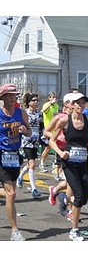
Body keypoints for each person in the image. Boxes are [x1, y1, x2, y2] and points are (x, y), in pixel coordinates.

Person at [49, 92, 88, 241]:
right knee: (78, 195)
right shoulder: (64, 121)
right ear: (72, 105)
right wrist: (60, 152)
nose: (81, 105)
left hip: (82, 162)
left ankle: (64, 197)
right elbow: (51, 140)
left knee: (84, 198)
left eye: (83, 103)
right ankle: (75, 230)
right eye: (78, 103)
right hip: (69, 163)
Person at [0, 83, 32, 241]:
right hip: (1, 155)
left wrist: (26, 132)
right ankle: (15, 231)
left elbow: (30, 131)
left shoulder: (21, 113)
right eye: (10, 95)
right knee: (11, 194)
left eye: (15, 95)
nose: (13, 98)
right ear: (3, 97)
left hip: (14, 156)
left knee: (10, 193)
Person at [44, 93, 74, 222]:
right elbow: (46, 131)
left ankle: (55, 190)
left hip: (75, 151)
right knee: (72, 181)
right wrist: (57, 137)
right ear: (66, 106)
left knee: (72, 181)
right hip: (62, 150)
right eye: (72, 104)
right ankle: (70, 210)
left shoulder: (79, 118)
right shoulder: (60, 118)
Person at [16, 93, 41, 198]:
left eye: (37, 100)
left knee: (31, 164)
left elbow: (42, 127)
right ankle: (34, 189)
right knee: (32, 164)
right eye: (33, 100)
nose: (36, 102)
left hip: (35, 141)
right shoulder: (24, 113)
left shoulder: (40, 114)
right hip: (26, 141)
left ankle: (20, 176)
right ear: (29, 102)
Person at [39, 92, 59, 172]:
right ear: (49, 98)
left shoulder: (56, 106)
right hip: (48, 129)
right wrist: (50, 103)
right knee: (48, 148)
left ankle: (56, 163)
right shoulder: (47, 104)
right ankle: (42, 163)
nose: (54, 99)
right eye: (52, 97)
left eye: (55, 97)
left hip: (55, 130)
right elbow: (44, 110)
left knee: (57, 147)